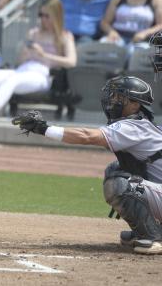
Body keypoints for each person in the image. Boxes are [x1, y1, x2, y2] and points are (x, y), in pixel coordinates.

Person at [12, 75, 162, 255]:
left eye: (119, 97)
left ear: (135, 104)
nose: (113, 100)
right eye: (113, 96)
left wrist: (43, 128)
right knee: (117, 169)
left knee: (120, 184)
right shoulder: (137, 124)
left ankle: (153, 237)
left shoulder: (134, 126)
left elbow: (87, 136)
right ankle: (146, 229)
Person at [0, 0, 77, 117]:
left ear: (56, 16)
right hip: (23, 70)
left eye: (47, 15)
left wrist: (44, 55)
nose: (43, 19)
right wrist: (25, 54)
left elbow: (71, 62)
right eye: (41, 15)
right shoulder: (34, 33)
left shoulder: (64, 36)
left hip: (43, 75)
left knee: (12, 80)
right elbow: (19, 62)